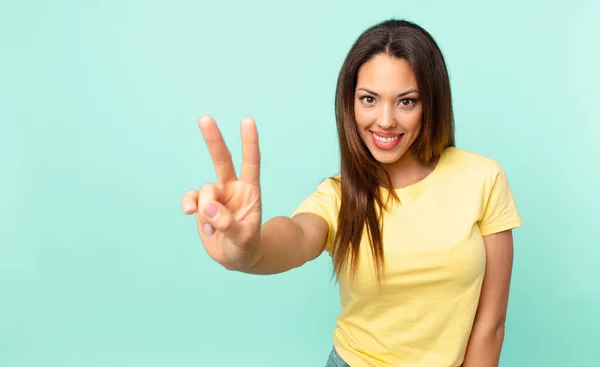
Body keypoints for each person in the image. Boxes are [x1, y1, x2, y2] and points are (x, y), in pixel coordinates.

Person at [181, 19, 523, 367]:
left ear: (431, 103)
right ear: (351, 103)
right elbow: (297, 235)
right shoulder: (339, 196)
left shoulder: (482, 177)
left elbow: (490, 327)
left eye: (406, 101)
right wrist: (247, 250)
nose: (386, 120)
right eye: (369, 99)